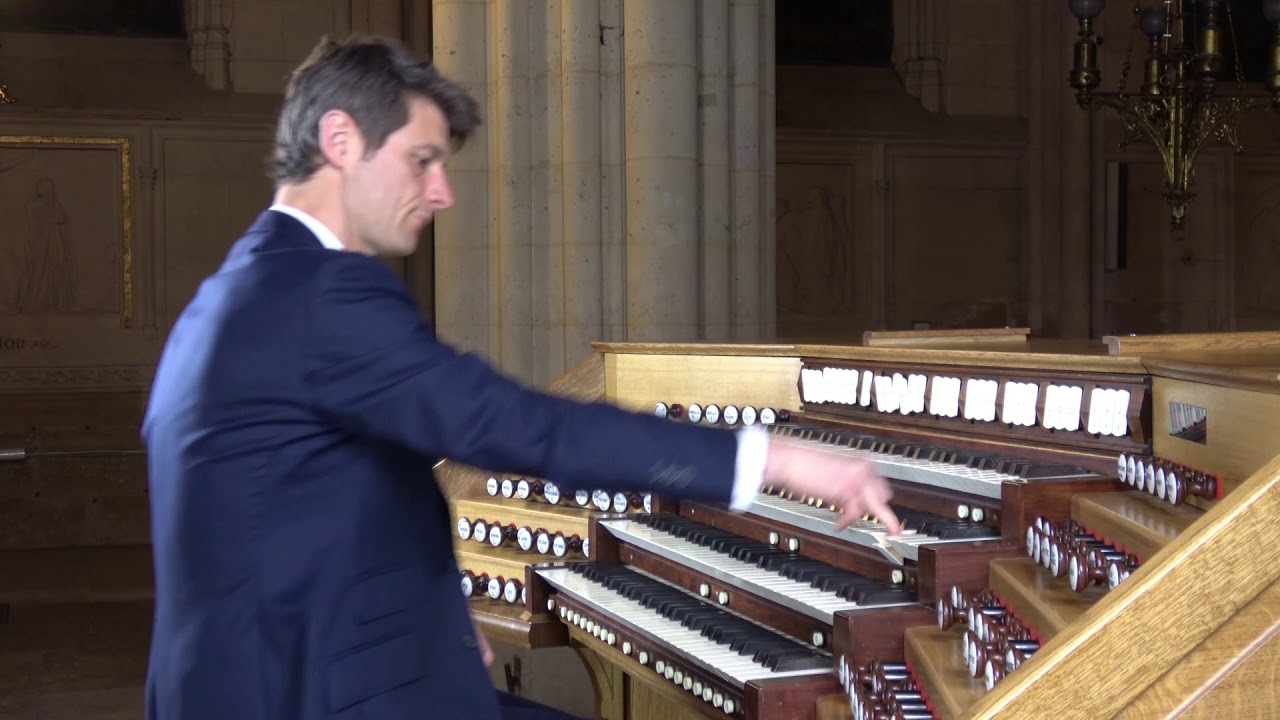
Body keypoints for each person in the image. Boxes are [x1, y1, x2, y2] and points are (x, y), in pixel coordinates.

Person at [141, 33, 900, 720]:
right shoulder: (323, 292)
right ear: (339, 139)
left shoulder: (233, 294)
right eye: (422, 159)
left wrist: (428, 617)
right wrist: (773, 457)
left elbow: (287, 512)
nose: (443, 192)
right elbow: (518, 426)